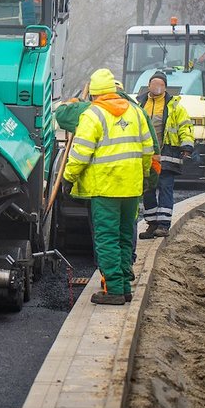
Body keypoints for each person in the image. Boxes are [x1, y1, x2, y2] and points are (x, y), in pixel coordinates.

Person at [62, 68, 154, 305]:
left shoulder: (93, 115)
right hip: (131, 188)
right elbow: (147, 149)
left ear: (93, 94)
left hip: (105, 188)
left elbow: (80, 153)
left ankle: (113, 289)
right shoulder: (135, 112)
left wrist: (68, 177)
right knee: (124, 236)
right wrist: (143, 177)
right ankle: (124, 286)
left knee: (107, 238)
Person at [136, 71, 194, 239]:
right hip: (147, 157)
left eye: (161, 84)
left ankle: (163, 225)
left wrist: (187, 146)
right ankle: (152, 224)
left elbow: (185, 127)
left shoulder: (174, 106)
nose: (157, 87)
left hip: (167, 155)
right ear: (148, 86)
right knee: (148, 190)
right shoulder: (140, 105)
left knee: (165, 189)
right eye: (154, 84)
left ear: (166, 87)